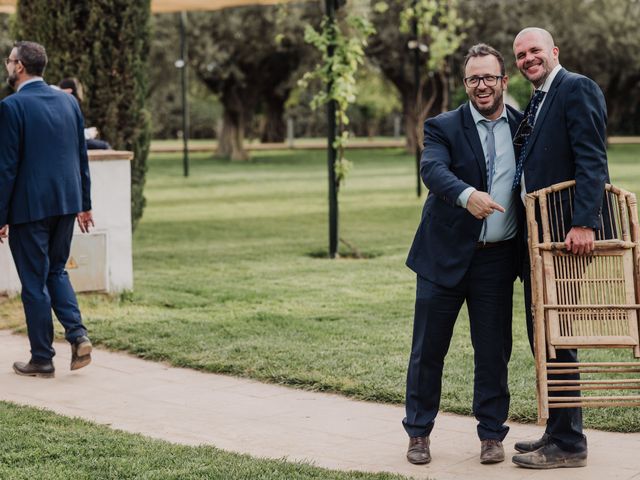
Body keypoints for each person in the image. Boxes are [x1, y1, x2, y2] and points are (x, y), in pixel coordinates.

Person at [403, 44, 523, 465]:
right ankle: (418, 433)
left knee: (493, 350)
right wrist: (466, 195)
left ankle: (492, 435)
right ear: (466, 83)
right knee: (428, 349)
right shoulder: (443, 126)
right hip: (442, 258)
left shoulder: (523, 127)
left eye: (490, 77)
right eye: (474, 78)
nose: (482, 85)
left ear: (504, 81)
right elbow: (432, 169)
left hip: (497, 260)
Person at [510, 27, 609, 469]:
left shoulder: (575, 87)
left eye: (534, 50)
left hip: (567, 237)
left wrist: (584, 222)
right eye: (520, 54)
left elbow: (592, 157)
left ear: (554, 51)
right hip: (539, 237)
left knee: (558, 334)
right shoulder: (537, 99)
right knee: (543, 334)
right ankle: (557, 429)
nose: (528, 58)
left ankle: (570, 443)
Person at [0, 41, 94, 378]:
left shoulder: (11, 107)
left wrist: (1, 215)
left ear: (20, 66)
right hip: (66, 204)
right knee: (56, 271)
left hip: (30, 208)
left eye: (10, 60)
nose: (8, 65)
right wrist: (84, 204)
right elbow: (80, 157)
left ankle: (42, 357)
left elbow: (7, 167)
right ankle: (77, 334)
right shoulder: (69, 102)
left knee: (34, 283)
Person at [58, 77, 112, 150]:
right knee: (105, 146)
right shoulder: (64, 106)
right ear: (69, 91)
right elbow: (71, 134)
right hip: (66, 145)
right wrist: (88, 134)